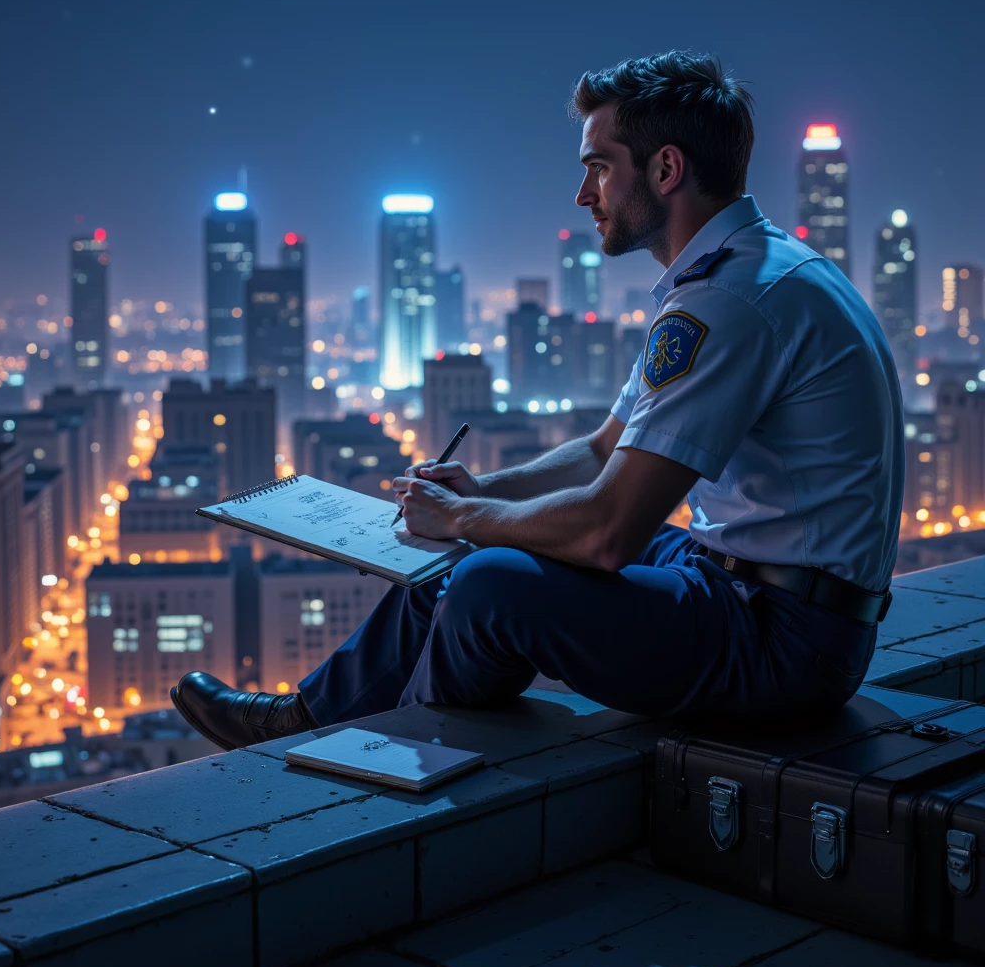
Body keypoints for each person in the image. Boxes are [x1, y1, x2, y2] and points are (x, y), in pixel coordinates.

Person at [171, 50, 903, 751]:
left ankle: (397, 770)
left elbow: (610, 533)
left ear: (667, 168)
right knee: (484, 543)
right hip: (743, 586)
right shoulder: (753, 272)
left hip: (785, 642)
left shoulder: (728, 301)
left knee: (491, 586)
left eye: (598, 168)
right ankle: (311, 717)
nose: (585, 196)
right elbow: (603, 449)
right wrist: (480, 496)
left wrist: (464, 517)